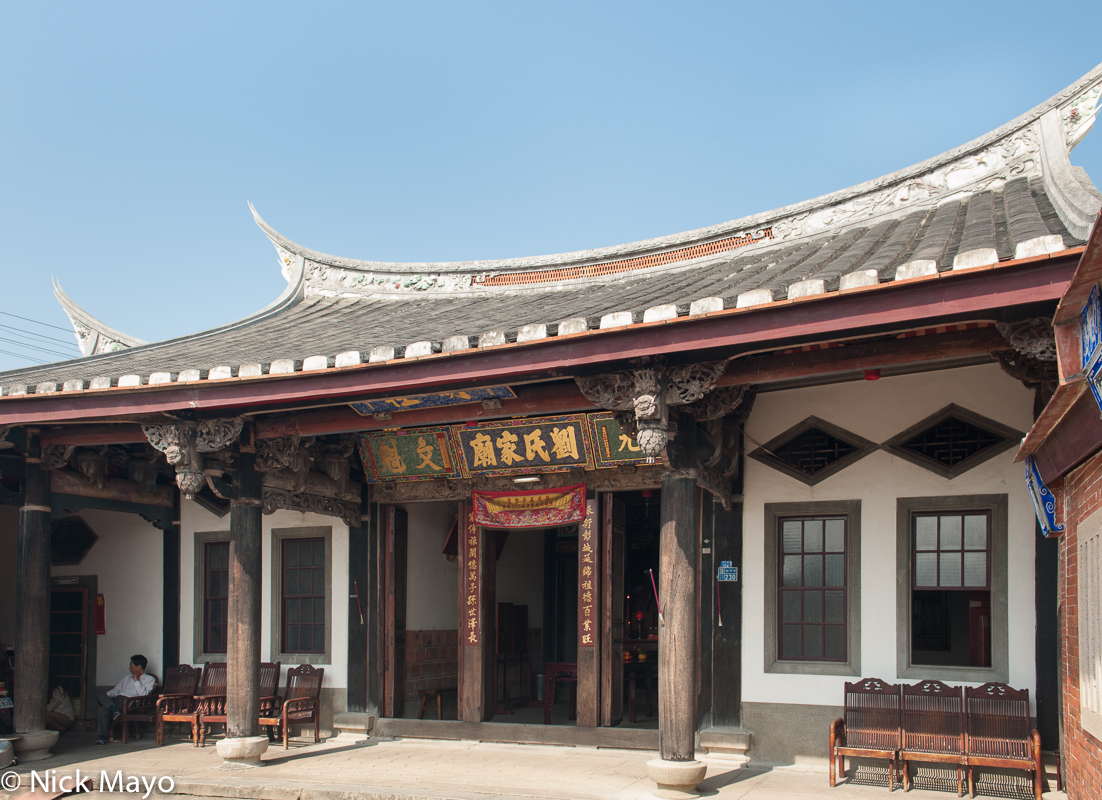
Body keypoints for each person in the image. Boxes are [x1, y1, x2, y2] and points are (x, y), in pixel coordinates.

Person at [94, 654, 154, 745]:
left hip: (129, 703)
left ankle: (114, 711)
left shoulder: (149, 679)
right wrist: (104, 698)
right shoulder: (126, 678)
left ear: (139, 667)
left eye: (131, 666)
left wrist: (137, 681)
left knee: (104, 708)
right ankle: (103, 737)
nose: (129, 668)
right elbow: (115, 691)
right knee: (99, 696)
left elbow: (143, 695)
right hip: (117, 701)